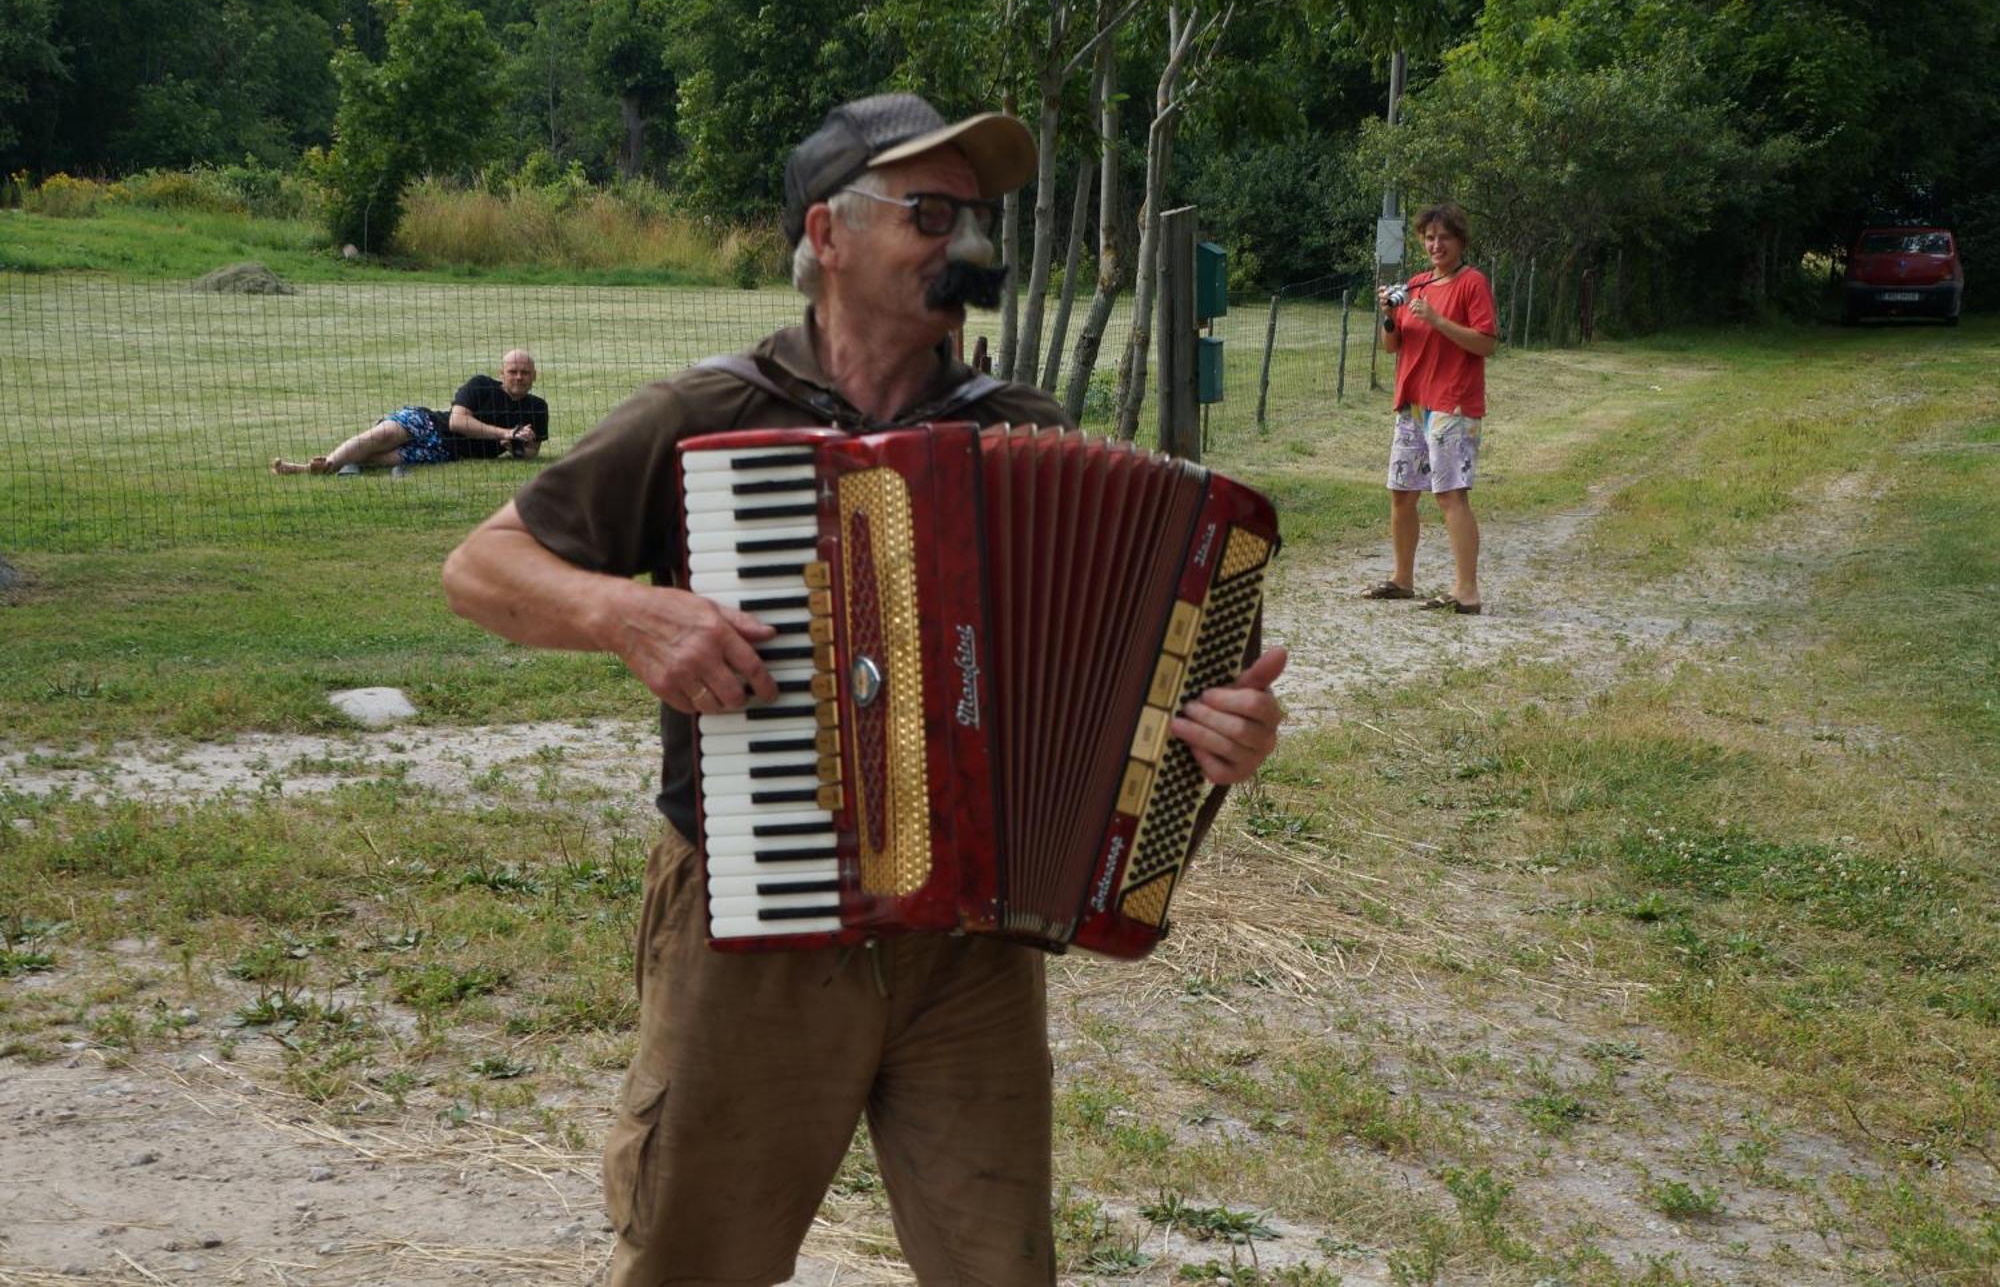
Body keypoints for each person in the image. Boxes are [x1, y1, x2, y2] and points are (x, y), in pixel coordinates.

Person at [441, 92, 1287, 1287]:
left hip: (976, 945)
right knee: (695, 1257)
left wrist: (1214, 736)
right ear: (825, 235)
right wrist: (625, 613)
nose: (965, 244)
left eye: (975, 219)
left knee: (998, 1267)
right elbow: (480, 569)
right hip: (755, 926)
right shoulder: (711, 416)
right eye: (928, 213)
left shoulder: (1022, 430)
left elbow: (1125, 718)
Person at [1362, 202, 1498, 614]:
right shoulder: (1417, 285)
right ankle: (1402, 579)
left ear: (1459, 242)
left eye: (1444, 238)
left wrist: (1439, 320)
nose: (1436, 244)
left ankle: (1466, 591)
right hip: (1414, 404)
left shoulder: (1471, 283)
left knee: (1450, 495)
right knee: (1402, 493)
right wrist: (1388, 316)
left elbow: (1486, 343)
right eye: (1429, 237)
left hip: (1452, 404)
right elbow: (1393, 345)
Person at [270, 350, 548, 475]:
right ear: (502, 373)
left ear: (534, 375)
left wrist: (514, 447)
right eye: (513, 372)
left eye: (525, 372)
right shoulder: (480, 385)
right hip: (429, 423)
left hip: (447, 452)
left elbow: (532, 450)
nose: (519, 377)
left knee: (383, 459)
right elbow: (457, 421)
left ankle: (305, 469)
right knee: (384, 434)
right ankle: (327, 464)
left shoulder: (537, 407)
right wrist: (505, 433)